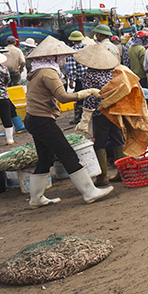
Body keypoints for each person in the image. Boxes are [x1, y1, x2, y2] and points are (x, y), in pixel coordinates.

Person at [23, 36, 114, 209]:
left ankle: (36, 198)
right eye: (62, 57)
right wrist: (86, 92)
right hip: (42, 120)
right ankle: (89, 192)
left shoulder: (36, 70)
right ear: (54, 58)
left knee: (45, 158)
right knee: (67, 154)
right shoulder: (48, 73)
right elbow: (63, 98)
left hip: (33, 119)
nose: (64, 60)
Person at [74, 43, 125, 186]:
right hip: (115, 110)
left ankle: (102, 176)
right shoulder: (113, 72)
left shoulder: (89, 75)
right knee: (118, 138)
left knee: (100, 142)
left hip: (100, 114)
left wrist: (86, 117)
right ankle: (123, 172)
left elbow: (89, 97)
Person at [64, 30, 88, 124]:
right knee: (90, 95)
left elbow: (72, 68)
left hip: (80, 79)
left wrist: (71, 80)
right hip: (90, 76)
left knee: (79, 97)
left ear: (72, 40)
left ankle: (79, 118)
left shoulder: (72, 51)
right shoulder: (88, 48)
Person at [0, 52, 16, 145]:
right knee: (6, 117)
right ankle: (10, 139)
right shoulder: (4, 69)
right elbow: (7, 81)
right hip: (3, 96)